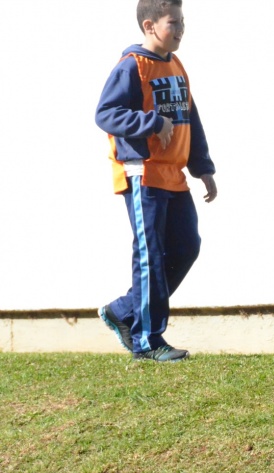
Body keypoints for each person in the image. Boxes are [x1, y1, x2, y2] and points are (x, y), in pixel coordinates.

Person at [95, 0, 217, 362]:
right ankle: (147, 341)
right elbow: (106, 113)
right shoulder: (132, 66)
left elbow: (190, 118)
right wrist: (151, 122)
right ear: (149, 26)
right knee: (149, 254)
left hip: (173, 176)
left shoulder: (176, 65)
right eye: (173, 23)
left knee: (186, 246)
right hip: (143, 174)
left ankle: (124, 310)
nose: (180, 29)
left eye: (182, 22)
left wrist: (203, 167)